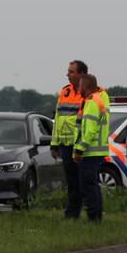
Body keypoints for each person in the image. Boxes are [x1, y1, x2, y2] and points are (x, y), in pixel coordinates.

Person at [51, 60, 87, 218]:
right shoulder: (64, 92)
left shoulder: (89, 93)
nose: (68, 74)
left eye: (71, 72)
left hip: (80, 144)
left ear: (81, 74)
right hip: (65, 144)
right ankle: (72, 213)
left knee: (82, 181)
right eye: (68, 71)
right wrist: (54, 144)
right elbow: (57, 118)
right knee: (71, 181)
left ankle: (82, 211)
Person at [74, 74, 110, 222]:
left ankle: (93, 217)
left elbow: (89, 131)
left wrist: (79, 149)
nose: (78, 88)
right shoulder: (98, 99)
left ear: (86, 86)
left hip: (90, 151)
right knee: (93, 184)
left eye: (80, 86)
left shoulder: (91, 102)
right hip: (96, 150)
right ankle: (96, 215)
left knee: (88, 186)